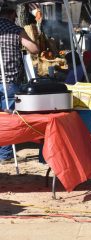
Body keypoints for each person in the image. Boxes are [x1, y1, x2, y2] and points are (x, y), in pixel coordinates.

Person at [0, 2, 39, 163]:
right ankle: (5, 154)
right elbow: (34, 49)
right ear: (12, 15)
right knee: (8, 118)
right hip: (9, 80)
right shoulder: (16, 30)